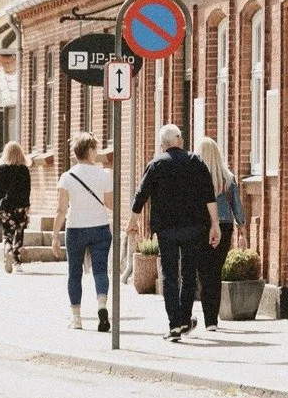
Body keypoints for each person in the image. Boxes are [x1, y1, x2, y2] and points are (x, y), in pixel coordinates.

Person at [127, 124, 220, 341]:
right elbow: (209, 194)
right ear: (179, 139)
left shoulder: (156, 164)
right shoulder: (196, 162)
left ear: (162, 145)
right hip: (194, 228)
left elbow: (141, 195)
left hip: (166, 229)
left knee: (169, 276)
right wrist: (215, 225)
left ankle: (174, 325)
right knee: (188, 276)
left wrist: (132, 222)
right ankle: (185, 318)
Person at [51, 132, 114, 331]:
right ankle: (102, 306)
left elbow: (61, 209)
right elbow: (111, 204)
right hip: (100, 228)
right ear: (88, 151)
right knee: (101, 270)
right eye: (95, 148)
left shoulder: (66, 177)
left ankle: (76, 318)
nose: (97, 152)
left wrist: (55, 236)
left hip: (75, 229)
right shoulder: (104, 175)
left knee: (74, 273)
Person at [194, 136, 245, 332]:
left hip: (202, 226)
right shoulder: (228, 178)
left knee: (203, 273)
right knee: (215, 272)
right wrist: (242, 229)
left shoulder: (195, 177)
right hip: (224, 226)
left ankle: (209, 318)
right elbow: (237, 206)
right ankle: (212, 320)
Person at [0, 142, 31, 274]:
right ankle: (17, 263)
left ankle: (8, 249)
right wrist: (27, 207)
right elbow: (28, 190)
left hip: (4, 207)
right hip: (21, 206)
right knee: (19, 232)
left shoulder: (0, 169)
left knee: (7, 232)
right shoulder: (24, 170)